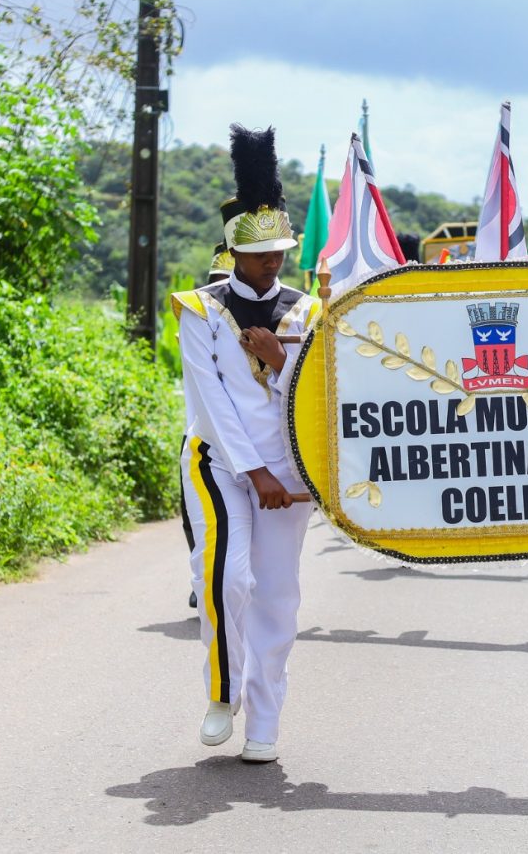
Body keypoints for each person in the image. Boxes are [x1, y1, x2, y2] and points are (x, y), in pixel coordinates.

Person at [172, 124, 320, 762]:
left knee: (279, 597)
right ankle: (221, 693)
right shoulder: (199, 310)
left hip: (290, 473)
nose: (272, 263)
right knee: (228, 579)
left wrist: (280, 362)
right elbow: (213, 402)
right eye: (261, 255)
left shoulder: (308, 311)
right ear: (232, 254)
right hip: (221, 464)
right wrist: (255, 472)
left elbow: (316, 394)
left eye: (280, 252)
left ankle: (265, 723)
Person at [184, 240, 235, 610]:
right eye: (214, 282)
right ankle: (202, 578)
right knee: (196, 520)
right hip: (201, 435)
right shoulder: (196, 317)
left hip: (248, 442)